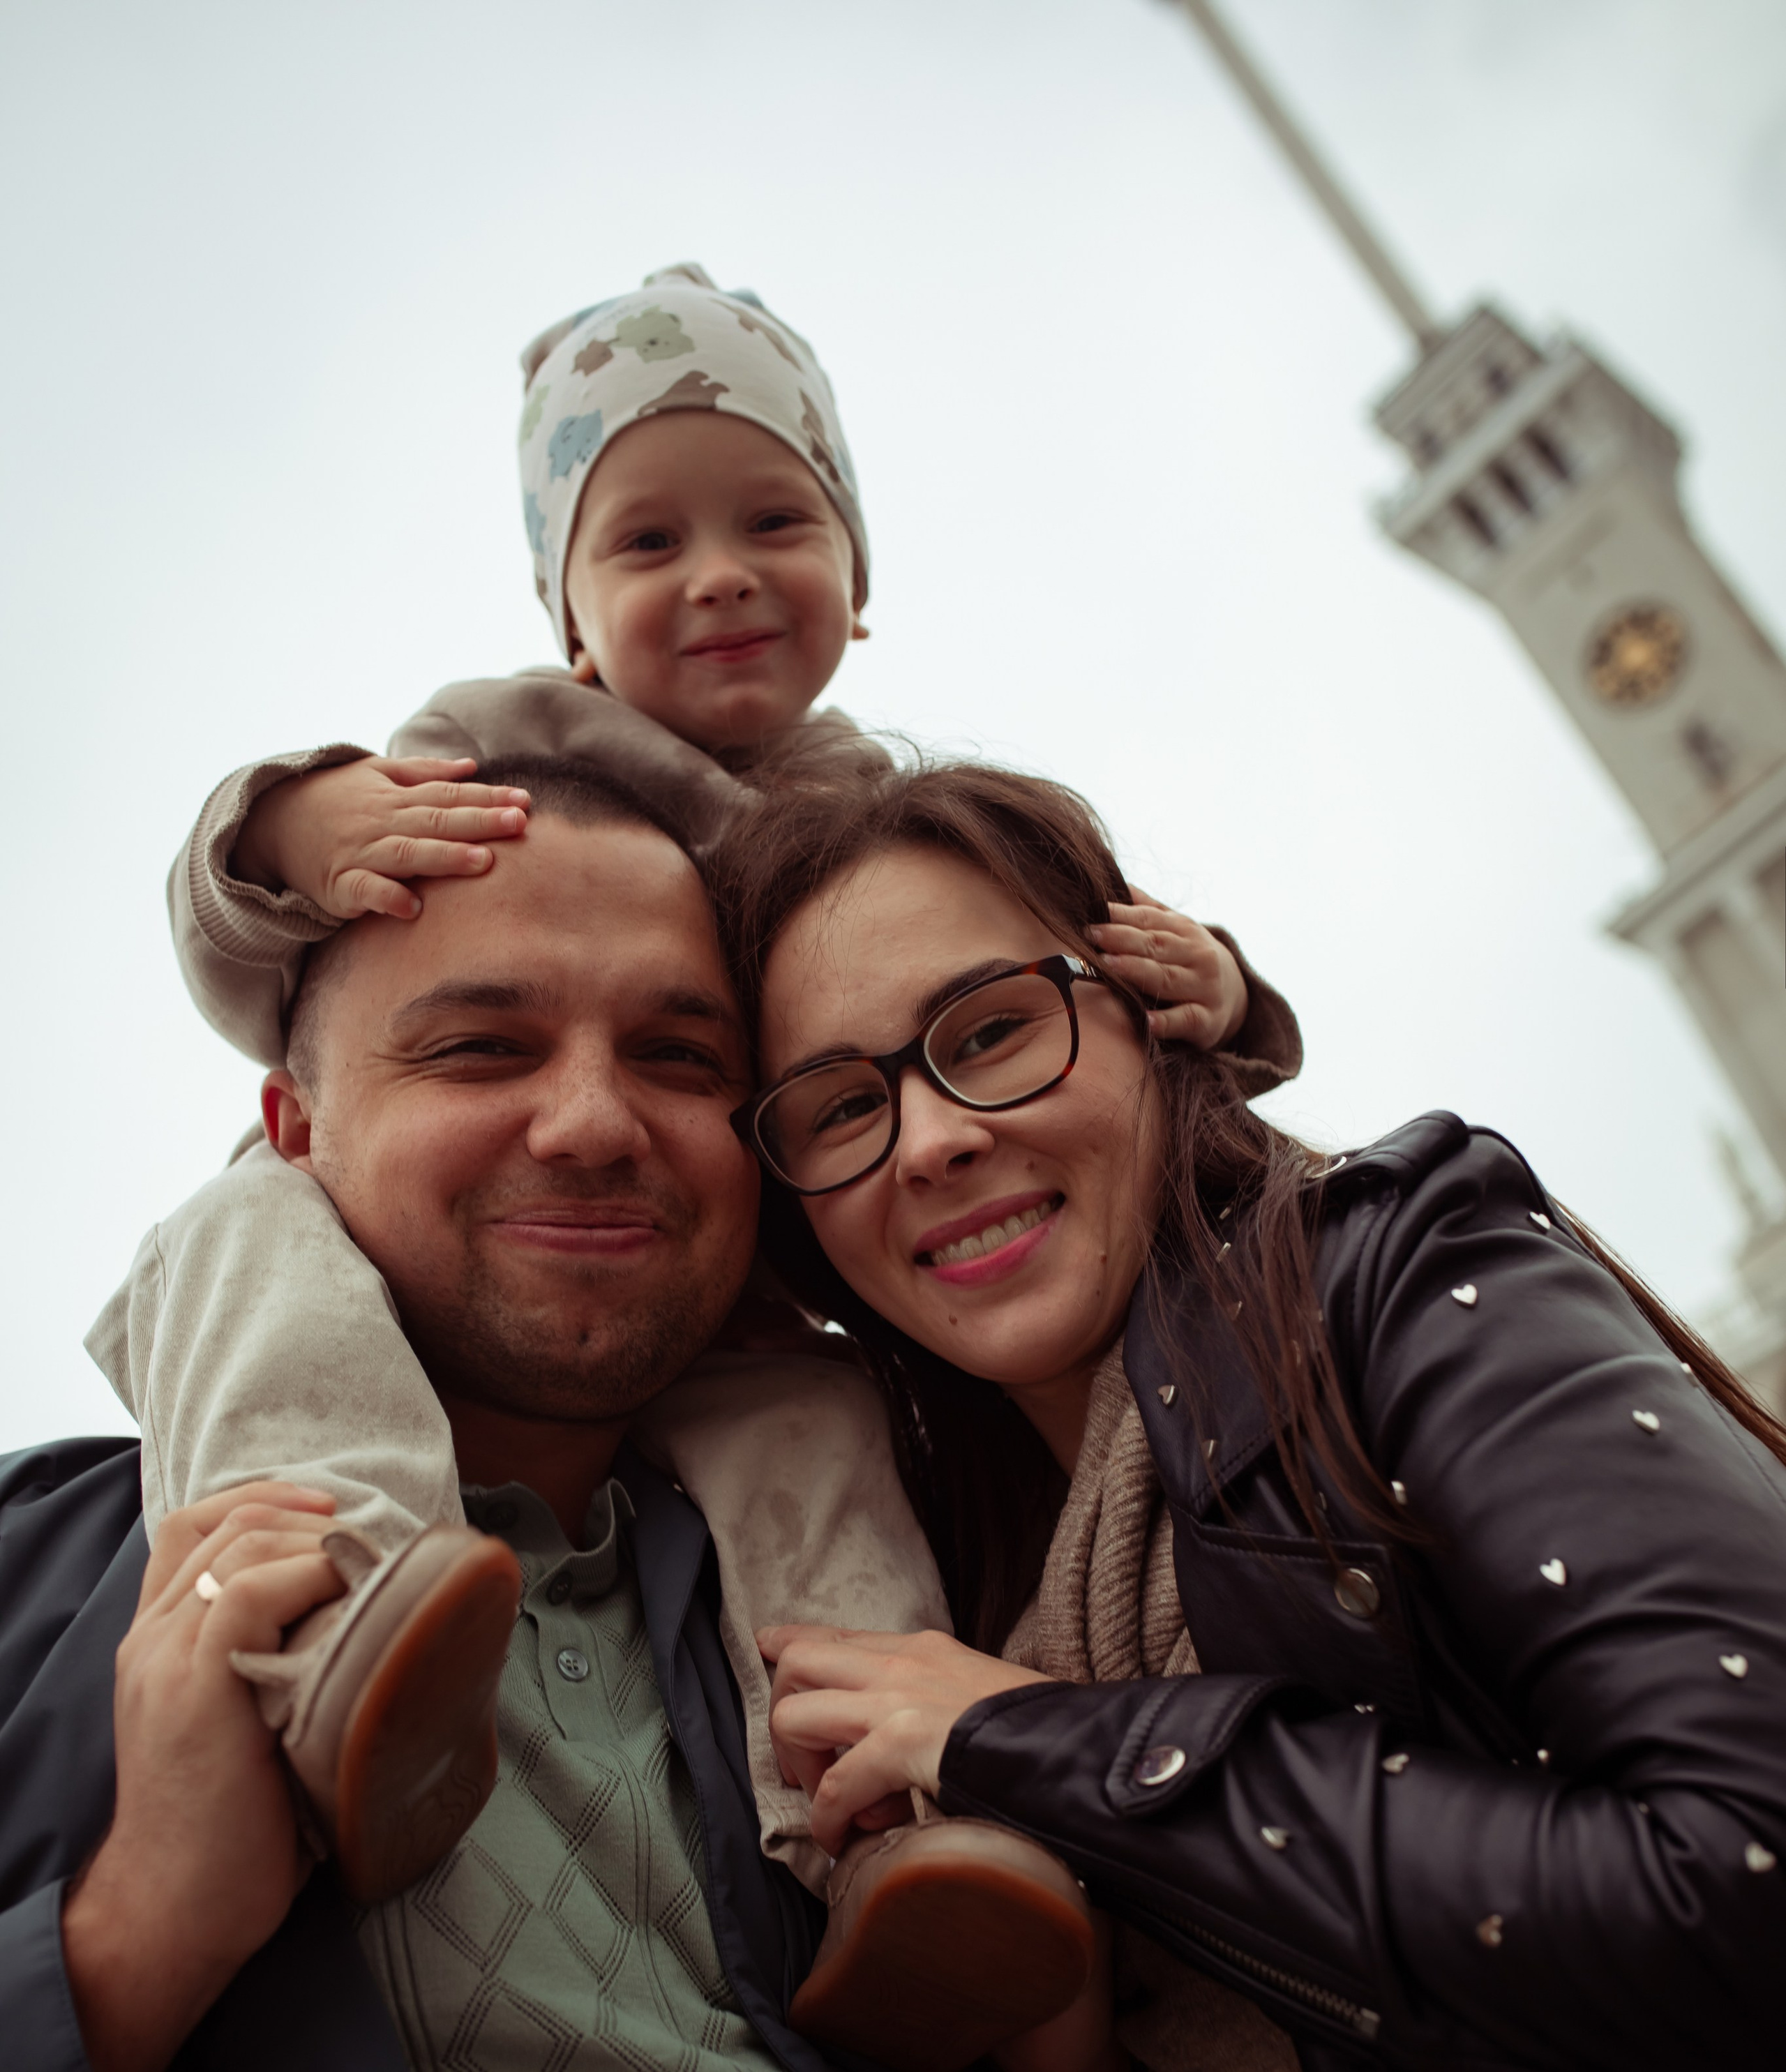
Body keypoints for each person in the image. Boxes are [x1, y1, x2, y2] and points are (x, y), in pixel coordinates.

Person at [0, 782, 1312, 2072]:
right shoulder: (42, 1604)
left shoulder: (915, 1635)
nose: (595, 1120)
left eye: (683, 1060)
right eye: (480, 1046)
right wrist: (137, 1935)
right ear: (288, 1135)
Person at [699, 755, 1786, 2072]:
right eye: (840, 1107)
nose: (929, 1139)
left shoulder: (1397, 1275)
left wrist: (1043, 1749)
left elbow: (1747, 1879)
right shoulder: (976, 1598)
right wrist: (1063, 2059)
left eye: (988, 1030)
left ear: (1147, 1011)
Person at [96, 260, 1298, 1952]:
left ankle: (887, 1833)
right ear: (571, 620)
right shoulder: (503, 743)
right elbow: (283, 960)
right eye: (647, 541)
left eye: (775, 523)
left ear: (858, 584)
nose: (719, 573)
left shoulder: (879, 816)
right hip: (390, 1251)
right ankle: (333, 1627)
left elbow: (1067, 1014)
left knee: (815, 1433)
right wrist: (286, 826)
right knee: (250, 1255)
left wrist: (1222, 993)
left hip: (710, 1277)